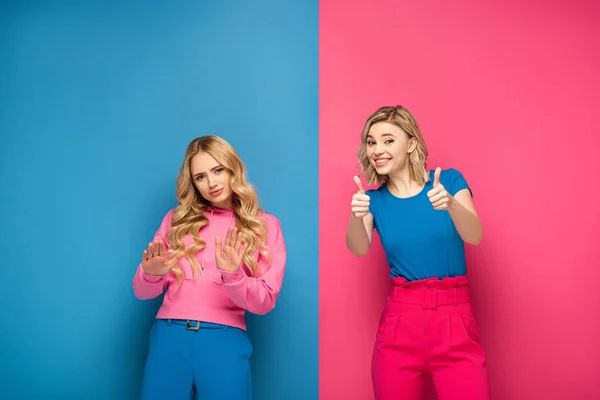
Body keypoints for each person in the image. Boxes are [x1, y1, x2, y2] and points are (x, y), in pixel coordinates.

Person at [346, 105, 490, 400]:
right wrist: (356, 214)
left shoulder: (448, 182)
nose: (377, 150)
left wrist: (450, 205)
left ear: (411, 144)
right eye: (371, 142)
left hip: (454, 320)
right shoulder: (372, 200)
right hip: (400, 324)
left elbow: (474, 235)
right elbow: (358, 248)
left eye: (388, 140)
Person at [132, 135, 286, 400]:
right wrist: (152, 273)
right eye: (200, 176)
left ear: (232, 169)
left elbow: (265, 302)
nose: (211, 183)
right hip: (169, 338)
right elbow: (141, 292)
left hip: (225, 342)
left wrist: (233, 275)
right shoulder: (176, 220)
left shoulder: (265, 225)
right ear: (192, 182)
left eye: (218, 170)